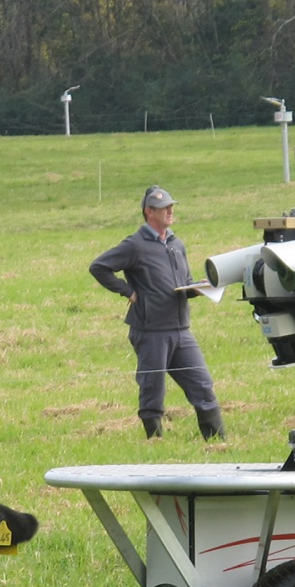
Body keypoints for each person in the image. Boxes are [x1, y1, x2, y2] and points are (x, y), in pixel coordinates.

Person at [89, 185, 225, 440]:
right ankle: (155, 440)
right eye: (164, 208)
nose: (170, 211)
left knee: (202, 383)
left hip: (181, 330)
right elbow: (99, 267)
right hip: (150, 330)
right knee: (153, 389)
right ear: (149, 212)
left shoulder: (176, 244)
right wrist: (127, 290)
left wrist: (199, 288)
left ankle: (217, 440)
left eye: (172, 207)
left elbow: (183, 281)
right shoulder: (135, 245)